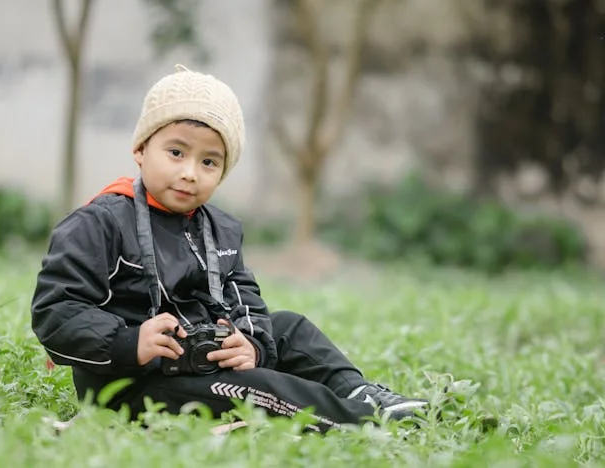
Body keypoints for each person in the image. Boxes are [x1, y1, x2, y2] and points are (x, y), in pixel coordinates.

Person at [31, 64, 427, 433]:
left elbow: (247, 300)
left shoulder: (220, 229)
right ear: (140, 150)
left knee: (290, 326)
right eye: (176, 152)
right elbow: (56, 311)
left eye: (209, 162)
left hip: (203, 363)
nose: (190, 172)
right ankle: (368, 423)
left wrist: (249, 342)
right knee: (252, 386)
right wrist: (129, 342)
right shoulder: (99, 223)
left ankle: (358, 391)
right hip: (132, 386)